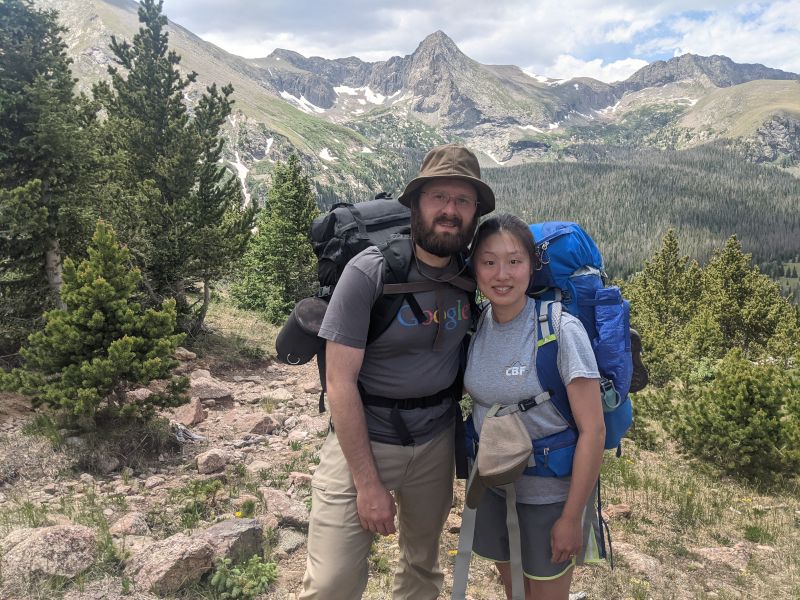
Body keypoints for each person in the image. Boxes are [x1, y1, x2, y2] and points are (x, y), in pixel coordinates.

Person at [299, 144, 496, 600]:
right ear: (415, 205)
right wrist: (367, 484)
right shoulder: (370, 273)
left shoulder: (472, 277)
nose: (450, 210)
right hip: (364, 442)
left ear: (474, 215)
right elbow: (339, 381)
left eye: (463, 201)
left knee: (422, 569)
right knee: (331, 584)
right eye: (439, 197)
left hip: (435, 444)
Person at [463, 214, 606, 600]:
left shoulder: (561, 329)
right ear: (475, 268)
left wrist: (572, 518)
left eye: (515, 261)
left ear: (532, 265)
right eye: (489, 262)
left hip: (550, 498)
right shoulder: (476, 327)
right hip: (494, 485)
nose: (502, 274)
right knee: (514, 592)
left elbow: (594, 430)